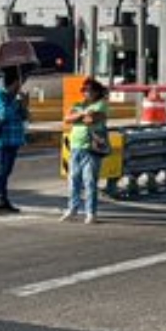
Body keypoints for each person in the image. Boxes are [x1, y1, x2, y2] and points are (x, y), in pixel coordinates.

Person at [61, 77, 107, 224]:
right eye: (84, 90)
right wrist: (81, 115)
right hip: (76, 145)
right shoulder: (78, 104)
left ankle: (91, 212)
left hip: (91, 147)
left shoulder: (101, 105)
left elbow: (91, 120)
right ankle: (72, 209)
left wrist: (79, 116)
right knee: (74, 179)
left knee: (89, 181)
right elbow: (67, 119)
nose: (86, 93)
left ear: (96, 92)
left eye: (89, 90)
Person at [0, 67, 30, 214]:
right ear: (14, 82)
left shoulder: (16, 98)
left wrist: (24, 105)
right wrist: (16, 102)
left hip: (14, 139)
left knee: (6, 171)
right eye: (19, 82)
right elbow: (3, 114)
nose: (21, 86)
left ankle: (2, 200)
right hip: (0, 140)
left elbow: (24, 117)